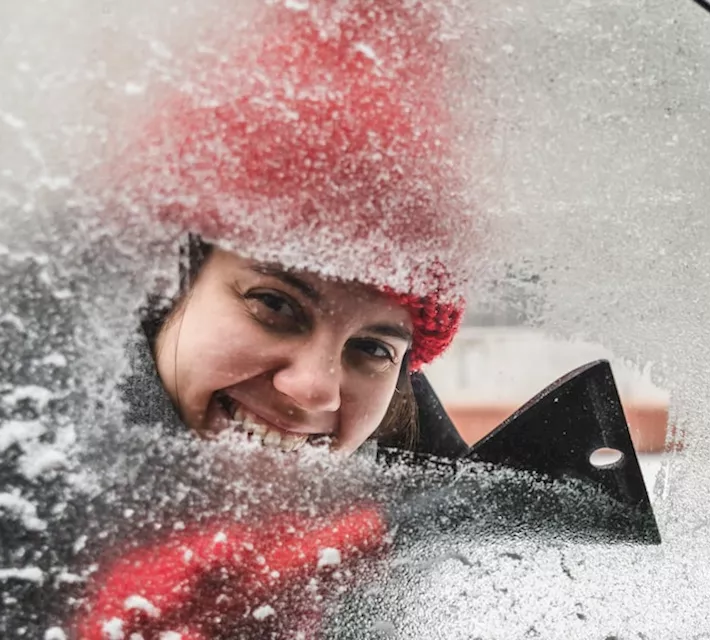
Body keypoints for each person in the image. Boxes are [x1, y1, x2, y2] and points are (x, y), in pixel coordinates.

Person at [72, 0, 482, 637]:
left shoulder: (445, 547)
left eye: (372, 349)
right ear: (163, 288)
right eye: (275, 305)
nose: (315, 388)